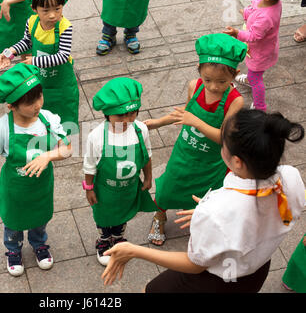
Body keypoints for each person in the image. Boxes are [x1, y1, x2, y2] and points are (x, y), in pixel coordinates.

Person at [102, 109, 305, 293]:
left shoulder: (216, 212)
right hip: (256, 271)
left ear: (236, 161)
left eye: (223, 143)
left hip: (217, 282)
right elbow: (254, 219)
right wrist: (211, 215)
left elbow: (195, 265)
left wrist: (134, 250)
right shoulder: (291, 176)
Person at [144, 33, 246, 246]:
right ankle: (159, 216)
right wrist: (157, 122)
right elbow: (184, 115)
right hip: (185, 152)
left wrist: (196, 122)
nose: (213, 87)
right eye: (207, 79)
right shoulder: (195, 86)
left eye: (222, 81)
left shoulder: (235, 101)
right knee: (168, 187)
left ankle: (200, 220)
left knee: (205, 194)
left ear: (235, 74)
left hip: (212, 161)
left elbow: (224, 138)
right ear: (199, 71)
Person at [0, 63, 72, 276]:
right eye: (29, 103)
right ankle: (13, 250)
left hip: (41, 187)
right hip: (15, 189)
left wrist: (48, 155)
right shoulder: (2, 127)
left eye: (39, 97)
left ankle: (39, 245)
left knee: (40, 220)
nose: (37, 105)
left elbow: (67, 149)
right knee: (13, 223)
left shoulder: (47, 119)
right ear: (12, 106)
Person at [83, 77, 155, 266]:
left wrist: (148, 177)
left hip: (128, 187)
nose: (127, 120)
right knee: (103, 215)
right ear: (107, 114)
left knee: (123, 214)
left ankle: (118, 237)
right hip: (104, 189)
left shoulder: (140, 130)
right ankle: (104, 240)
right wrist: (89, 188)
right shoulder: (97, 137)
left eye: (132, 114)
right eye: (120, 116)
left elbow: (146, 155)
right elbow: (89, 165)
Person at [0, 0, 79, 135]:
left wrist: (34, 61)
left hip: (62, 84)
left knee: (64, 112)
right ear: (34, 9)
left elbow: (63, 56)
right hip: (41, 81)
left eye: (57, 9)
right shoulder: (32, 22)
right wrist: (10, 52)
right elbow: (26, 42)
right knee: (41, 108)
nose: (53, 15)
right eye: (46, 10)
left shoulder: (65, 27)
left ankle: (62, 139)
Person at [223, 0, 288, 111]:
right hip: (263, 47)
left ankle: (260, 106)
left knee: (256, 77)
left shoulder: (266, 17)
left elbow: (254, 35)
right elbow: (254, 7)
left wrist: (237, 33)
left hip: (260, 52)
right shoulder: (270, 1)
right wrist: (247, 13)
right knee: (254, 72)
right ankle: (250, 79)